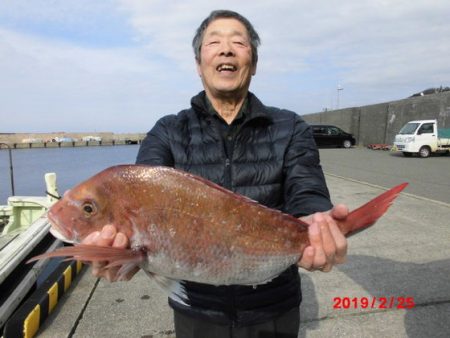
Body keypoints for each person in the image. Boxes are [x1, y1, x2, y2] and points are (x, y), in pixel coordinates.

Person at [83, 10, 348, 338]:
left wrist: (316, 225)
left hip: (273, 306)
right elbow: (137, 197)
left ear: (254, 62)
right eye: (214, 42)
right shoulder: (167, 132)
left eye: (239, 42)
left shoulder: (290, 127)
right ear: (199, 63)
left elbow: (306, 188)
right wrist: (118, 255)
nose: (226, 49)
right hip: (197, 311)